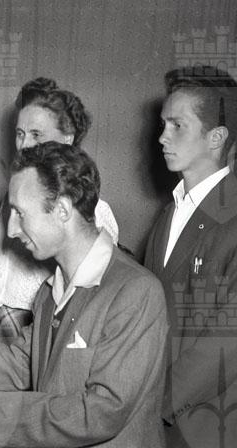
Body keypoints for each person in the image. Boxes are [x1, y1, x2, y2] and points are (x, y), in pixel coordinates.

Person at [0, 142, 169, 448]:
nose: (11, 230)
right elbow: (22, 363)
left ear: (62, 210)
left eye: (19, 213)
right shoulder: (49, 292)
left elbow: (103, 412)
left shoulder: (135, 292)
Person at [0, 77, 119, 344]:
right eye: (20, 134)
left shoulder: (94, 213)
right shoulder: (14, 198)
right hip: (1, 319)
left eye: (36, 134)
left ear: (67, 139)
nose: (24, 145)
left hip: (41, 327)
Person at [144, 65, 237, 447]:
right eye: (163, 124)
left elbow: (226, 343)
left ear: (216, 137)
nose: (162, 136)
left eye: (177, 125)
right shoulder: (169, 213)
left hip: (207, 425)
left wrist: (157, 404)